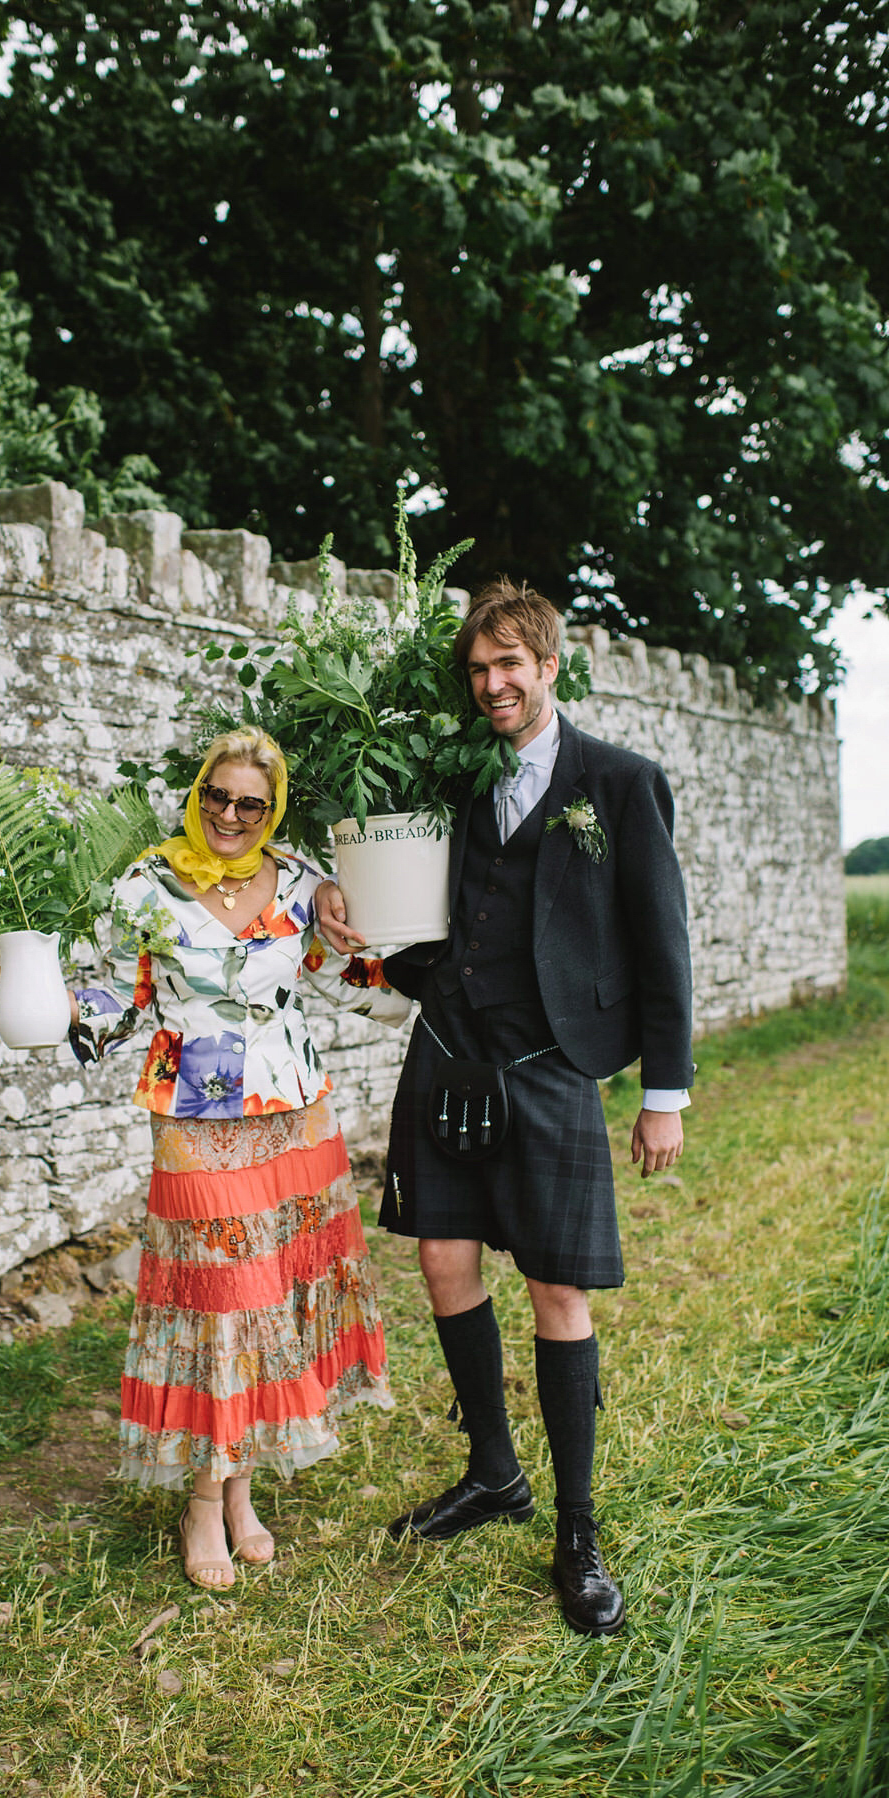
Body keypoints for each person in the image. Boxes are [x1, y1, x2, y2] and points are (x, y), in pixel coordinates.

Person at [316, 579, 693, 1636]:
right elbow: (429, 913)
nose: (492, 685)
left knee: (557, 1289)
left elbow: (664, 945)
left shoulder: (618, 784)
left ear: (548, 666)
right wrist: (339, 914)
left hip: (553, 1059)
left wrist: (664, 1094)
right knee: (442, 1261)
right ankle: (494, 1472)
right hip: (449, 1047)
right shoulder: (454, 778)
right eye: (478, 670)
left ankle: (576, 1529)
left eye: (508, 666)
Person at [35, 726, 409, 1591]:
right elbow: (116, 998)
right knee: (221, 1303)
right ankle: (205, 1502)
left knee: (267, 1294)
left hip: (295, 1121)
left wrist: (443, 984)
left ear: (270, 808)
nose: (230, 815)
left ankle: (238, 1490)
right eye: (216, 796)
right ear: (197, 794)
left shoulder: (306, 882)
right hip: (197, 1122)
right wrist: (42, 1001)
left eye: (249, 802)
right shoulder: (147, 886)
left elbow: (348, 978)